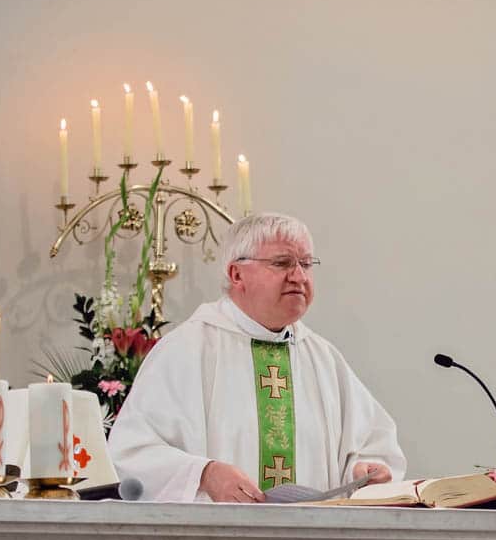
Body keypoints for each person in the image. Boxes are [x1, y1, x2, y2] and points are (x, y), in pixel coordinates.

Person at [107, 212, 405, 502]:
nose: (299, 276)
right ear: (237, 274)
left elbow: (373, 443)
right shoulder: (186, 351)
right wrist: (204, 474)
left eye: (305, 263)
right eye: (282, 263)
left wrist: (365, 470)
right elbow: (132, 450)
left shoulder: (323, 358)